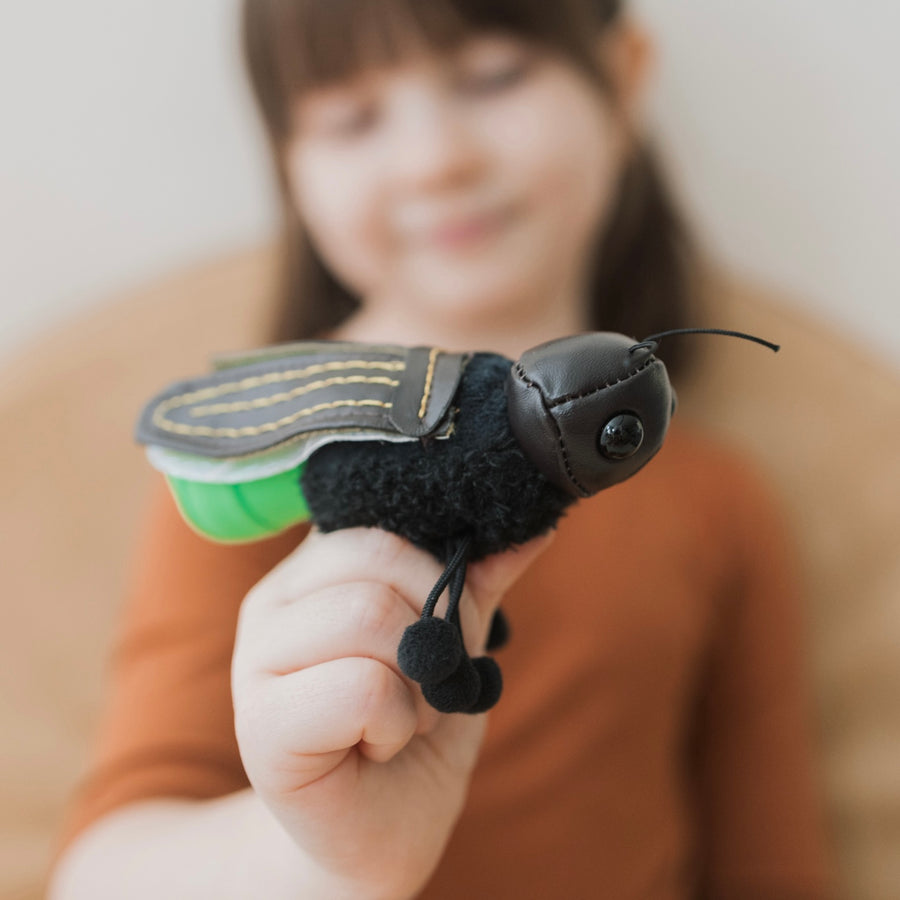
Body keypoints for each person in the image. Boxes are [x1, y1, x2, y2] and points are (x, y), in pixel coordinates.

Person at [49, 1, 834, 897]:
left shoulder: (718, 502)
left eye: (495, 77)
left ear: (621, 80)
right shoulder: (258, 469)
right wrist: (323, 857)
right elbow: (100, 874)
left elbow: (775, 867)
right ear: (288, 165)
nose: (436, 159)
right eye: (353, 118)